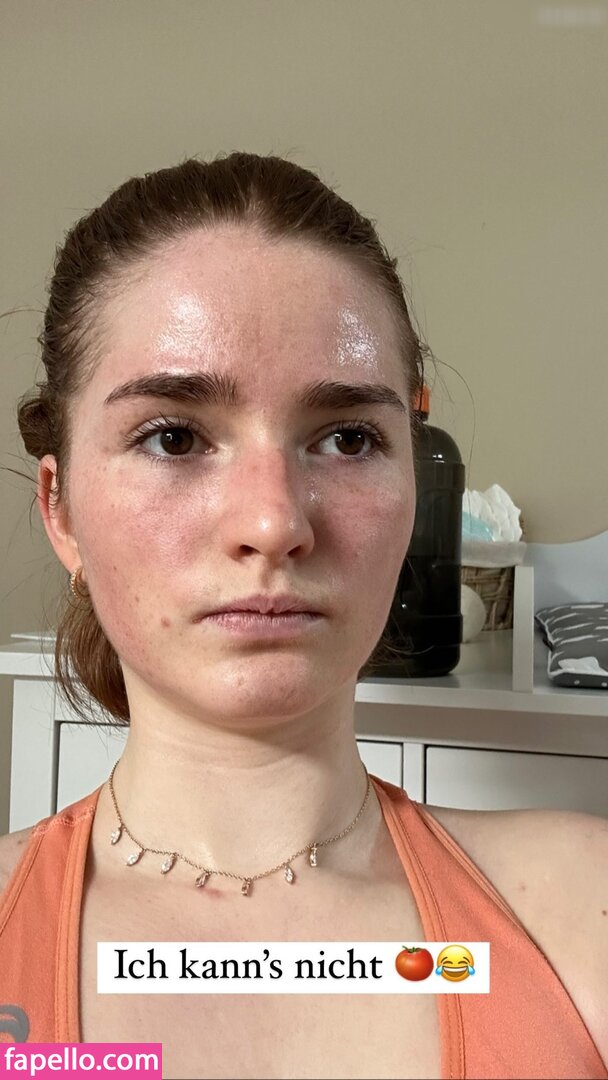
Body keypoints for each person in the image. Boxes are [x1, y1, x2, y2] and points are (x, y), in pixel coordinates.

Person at [0, 151, 606, 1080]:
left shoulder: (581, 915)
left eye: (348, 438)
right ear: (62, 511)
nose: (275, 521)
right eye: (174, 437)